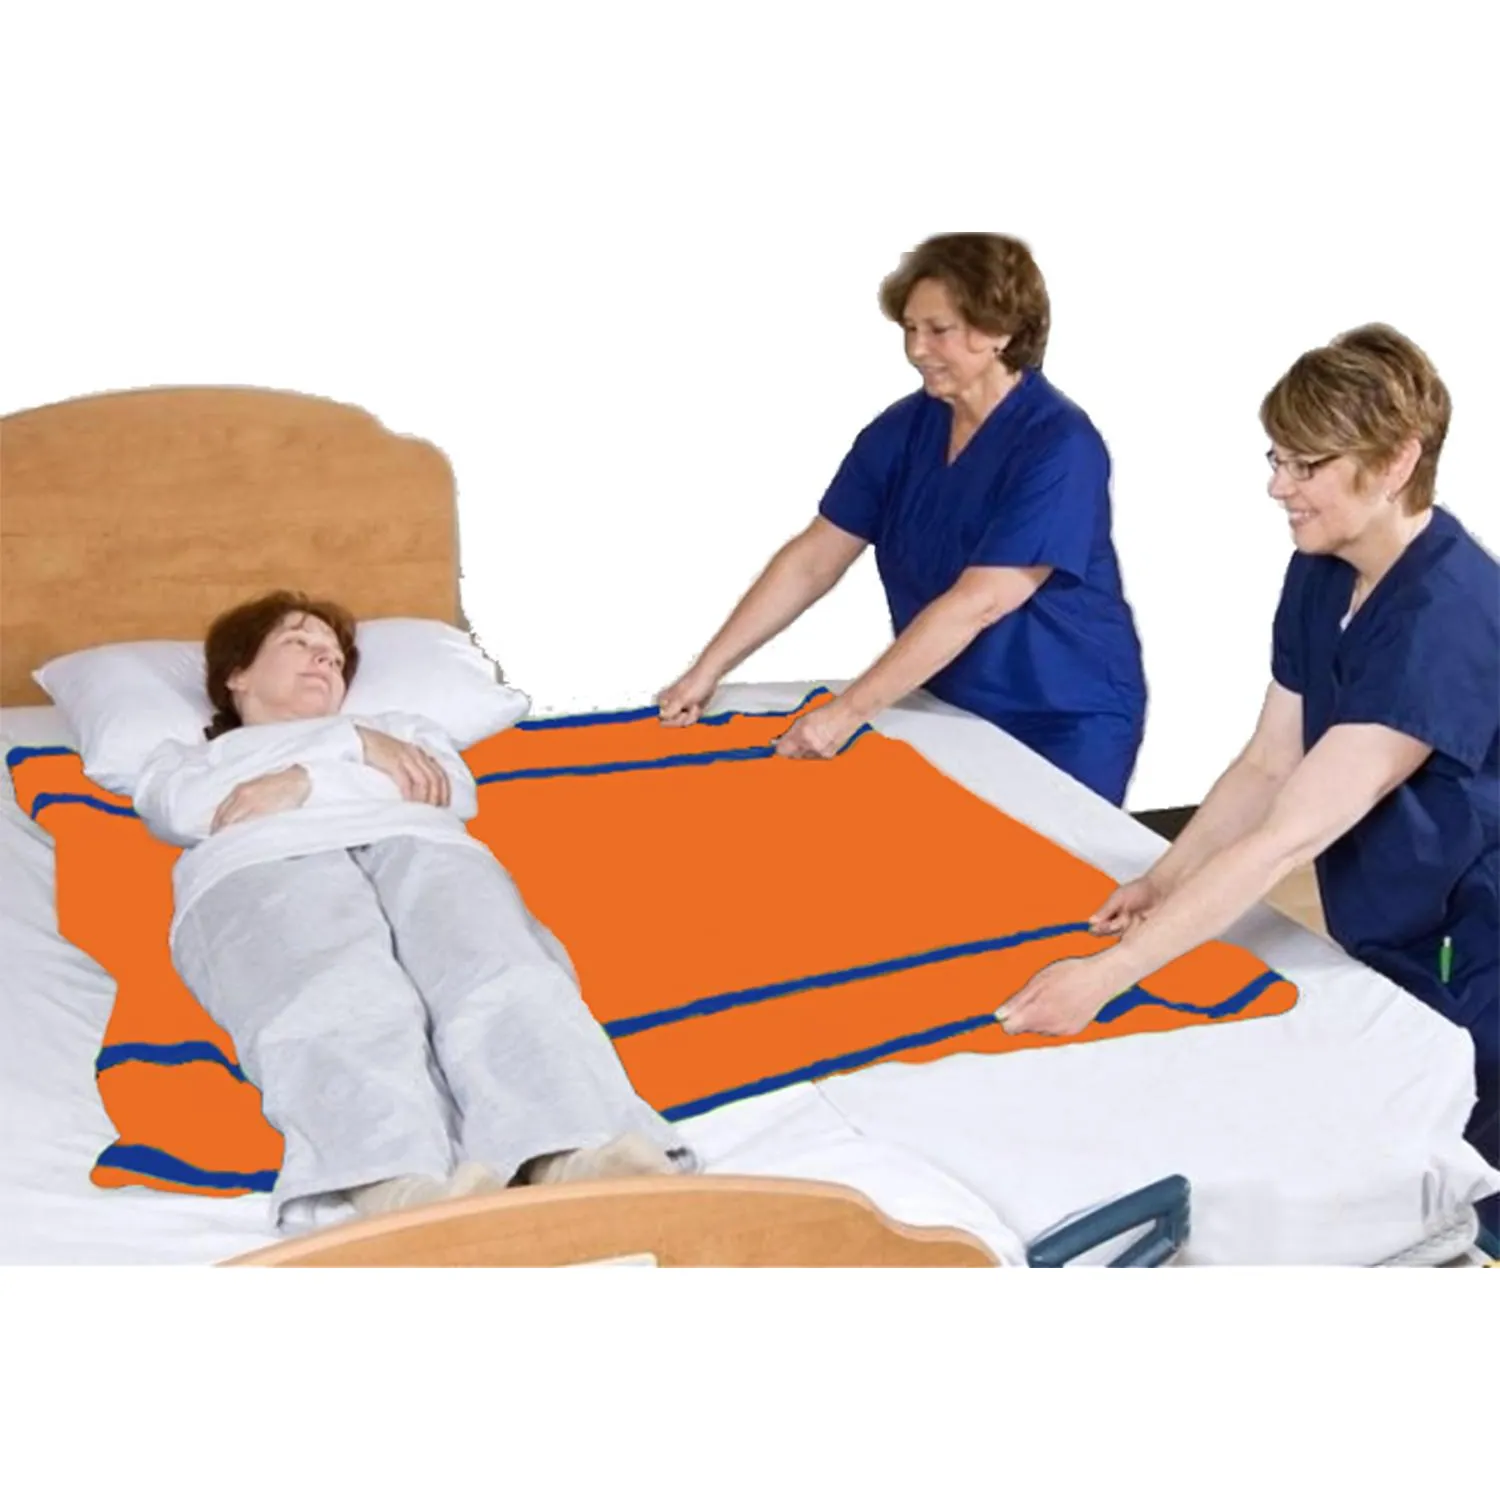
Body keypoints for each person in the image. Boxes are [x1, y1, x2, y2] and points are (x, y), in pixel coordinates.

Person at [995, 324, 1499, 1239]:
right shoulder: (1323, 570)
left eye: (1307, 465)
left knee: (1464, 1176)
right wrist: (1166, 878)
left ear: (1396, 461)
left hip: (1474, 939)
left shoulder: (1446, 619)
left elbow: (1287, 837)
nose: (1278, 487)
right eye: (1277, 458)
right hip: (1394, 917)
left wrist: (1105, 979)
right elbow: (1270, 760)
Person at [132, 590, 693, 1228]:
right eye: (299, 642)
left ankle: (574, 1151)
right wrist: (350, 759)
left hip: (420, 844)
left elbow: (445, 793)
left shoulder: (399, 729)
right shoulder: (188, 759)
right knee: (338, 995)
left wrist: (317, 770)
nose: (324, 661)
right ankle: (397, 1185)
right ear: (237, 674)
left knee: (503, 974)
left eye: (333, 657)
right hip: (262, 863)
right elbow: (190, 811)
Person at [656, 232, 1148, 806]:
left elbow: (980, 602)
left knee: (1047, 862)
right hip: (950, 703)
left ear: (1001, 331)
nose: (917, 349)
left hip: (1062, 716)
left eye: (938, 330)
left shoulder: (1060, 446)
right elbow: (814, 559)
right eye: (909, 329)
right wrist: (708, 669)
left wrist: (845, 714)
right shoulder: (903, 430)